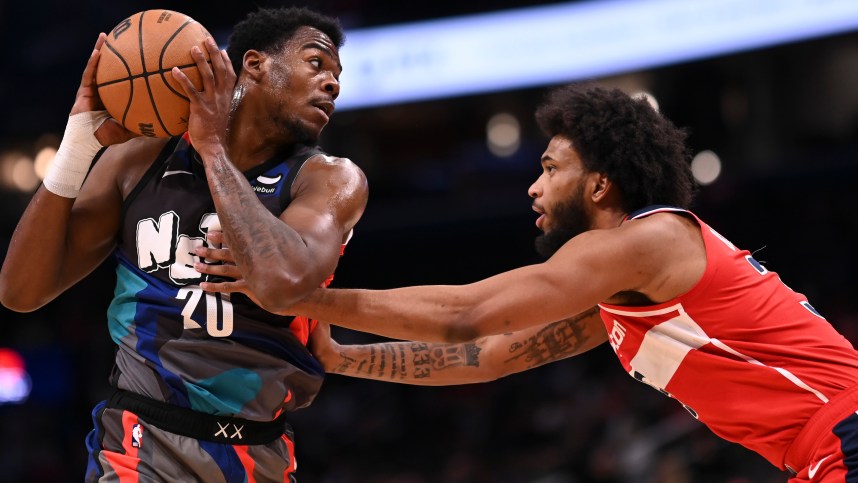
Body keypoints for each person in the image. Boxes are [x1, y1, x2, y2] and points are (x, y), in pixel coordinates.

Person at [195, 83, 858, 482]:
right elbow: (489, 354)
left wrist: (296, 292)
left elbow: (473, 311)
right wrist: (343, 357)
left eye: (550, 167)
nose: (534, 187)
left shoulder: (649, 241)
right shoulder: (630, 289)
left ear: (600, 184)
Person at [0, 6, 367, 482]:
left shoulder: (327, 180)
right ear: (254, 65)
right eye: (317, 63)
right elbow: (20, 291)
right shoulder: (140, 159)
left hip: (258, 453)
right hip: (139, 444)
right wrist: (77, 145)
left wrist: (213, 149)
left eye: (337, 75)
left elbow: (281, 281)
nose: (333, 84)